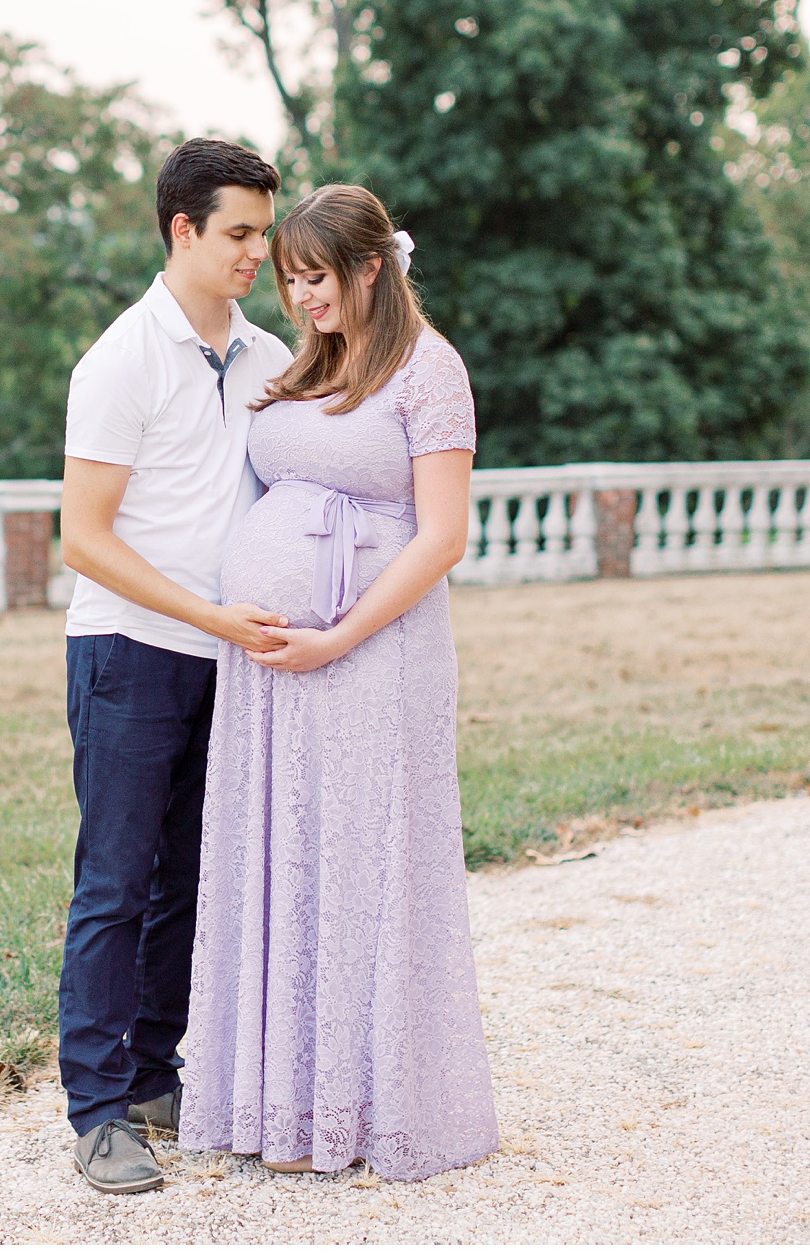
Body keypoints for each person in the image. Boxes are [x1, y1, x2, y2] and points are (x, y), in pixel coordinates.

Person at [179, 182, 500, 1181]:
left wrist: (338, 634)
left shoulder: (428, 369)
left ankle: (377, 1104)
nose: (301, 299)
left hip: (375, 656)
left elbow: (441, 534)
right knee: (288, 858)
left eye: (315, 278)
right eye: (290, 282)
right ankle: (281, 1097)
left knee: (369, 863)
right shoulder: (304, 365)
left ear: (371, 267)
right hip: (273, 672)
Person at [55, 137, 295, 1195]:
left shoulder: (265, 358)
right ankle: (97, 1109)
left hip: (227, 659)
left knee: (188, 879)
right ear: (181, 229)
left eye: (263, 233)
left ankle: (155, 1075)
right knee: (112, 883)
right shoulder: (119, 359)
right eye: (238, 233)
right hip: (127, 650)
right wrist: (206, 612)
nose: (257, 253)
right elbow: (85, 536)